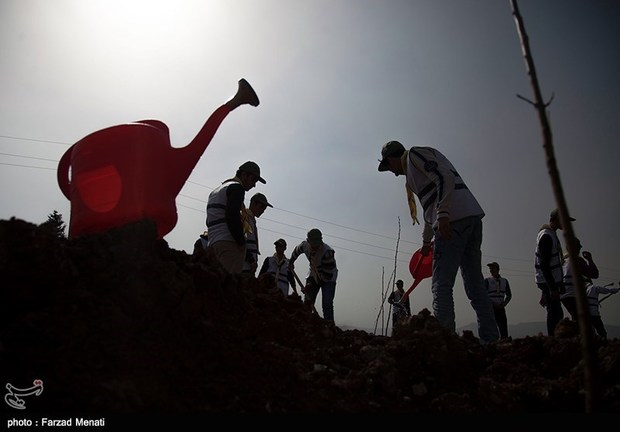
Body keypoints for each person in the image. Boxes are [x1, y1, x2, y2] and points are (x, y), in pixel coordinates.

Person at [377, 140, 499, 344]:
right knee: (475, 285)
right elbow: (429, 208)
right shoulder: (413, 174)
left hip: (452, 221)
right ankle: (491, 341)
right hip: (469, 217)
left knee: (441, 285)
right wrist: (426, 242)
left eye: (388, 167)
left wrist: (443, 215)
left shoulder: (415, 155)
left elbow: (445, 177)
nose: (392, 172)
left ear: (391, 159)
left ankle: (446, 343)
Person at [206, 161, 266, 275]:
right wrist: (241, 242)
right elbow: (232, 215)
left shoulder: (216, 191)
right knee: (228, 286)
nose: (254, 185)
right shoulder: (237, 188)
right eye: (253, 180)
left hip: (214, 244)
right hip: (229, 245)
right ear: (244, 175)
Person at [535, 208, 573, 336]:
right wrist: (551, 288)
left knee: (556, 312)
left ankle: (553, 339)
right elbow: (544, 264)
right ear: (557, 219)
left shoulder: (551, 234)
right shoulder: (547, 236)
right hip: (548, 282)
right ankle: (552, 340)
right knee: (555, 312)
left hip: (550, 281)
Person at [289, 229, 338, 323]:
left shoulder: (327, 252)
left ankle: (329, 325)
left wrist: (310, 285)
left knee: (327, 303)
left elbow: (325, 277)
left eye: (317, 244)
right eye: (313, 244)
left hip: (328, 277)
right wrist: (291, 262)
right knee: (308, 301)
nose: (315, 247)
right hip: (313, 272)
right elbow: (296, 251)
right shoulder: (304, 245)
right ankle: (304, 323)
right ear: (308, 241)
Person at [561, 237, 599, 321]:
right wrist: (590, 260)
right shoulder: (578, 261)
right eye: (578, 246)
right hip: (574, 295)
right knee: (581, 319)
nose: (580, 247)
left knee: (576, 317)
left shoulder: (562, 260)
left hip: (564, 296)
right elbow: (594, 274)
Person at [241, 192, 273, 277]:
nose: (263, 211)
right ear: (254, 203)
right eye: (261, 207)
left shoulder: (252, 221)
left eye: (264, 208)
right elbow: (239, 241)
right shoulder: (245, 217)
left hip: (249, 268)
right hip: (242, 266)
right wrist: (250, 260)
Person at [484, 262, 512, 340]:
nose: (491, 270)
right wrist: (492, 304)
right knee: (491, 329)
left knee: (503, 329)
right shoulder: (487, 280)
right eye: (490, 269)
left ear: (498, 269)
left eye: (493, 268)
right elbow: (484, 295)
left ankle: (504, 343)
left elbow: (509, 295)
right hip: (491, 308)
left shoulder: (504, 281)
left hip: (501, 307)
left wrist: (504, 304)